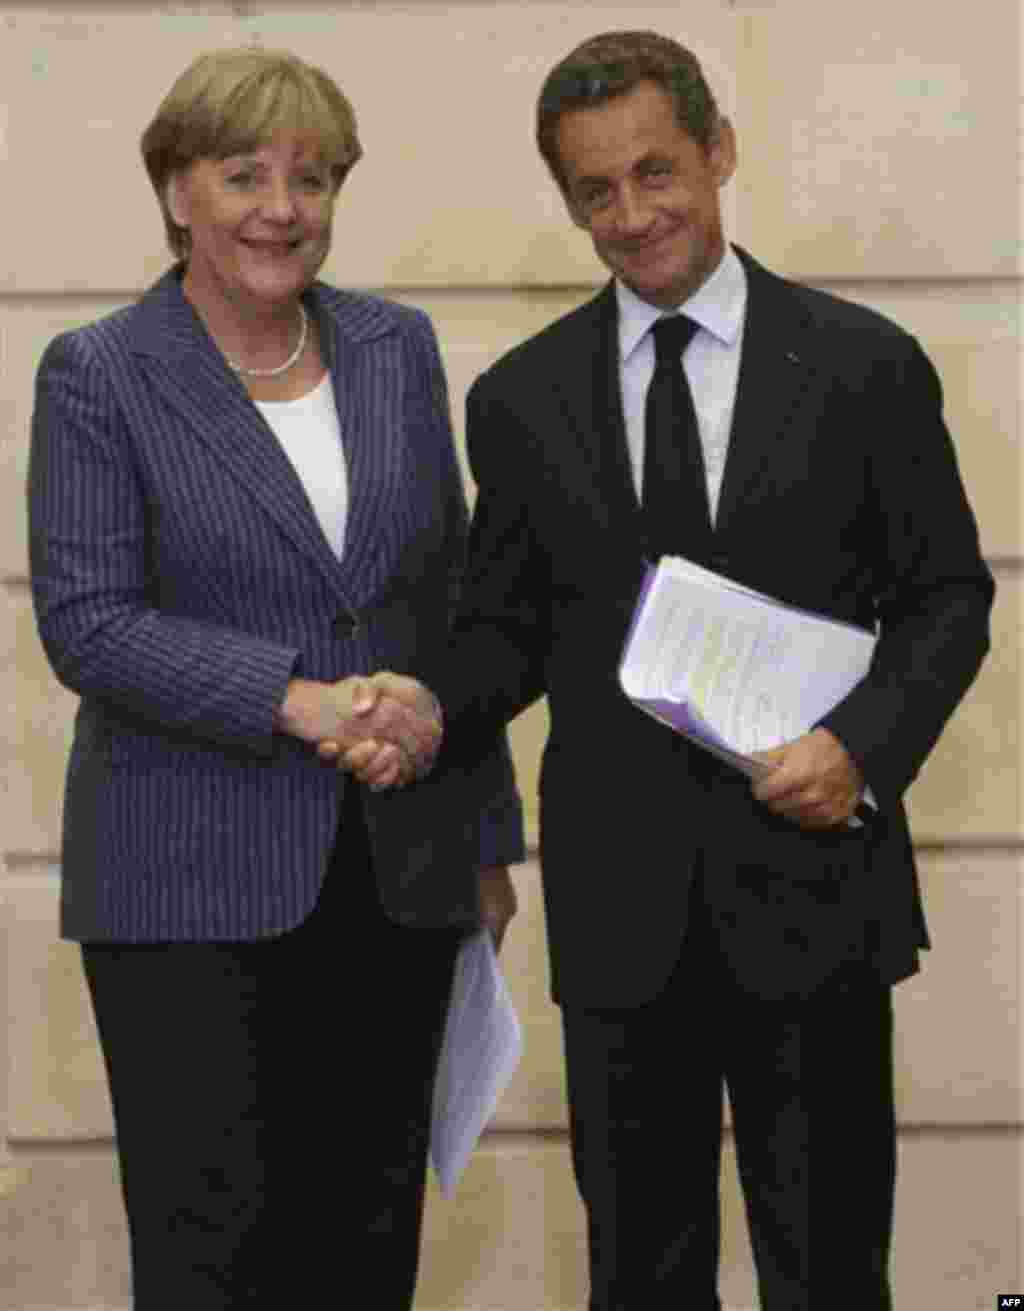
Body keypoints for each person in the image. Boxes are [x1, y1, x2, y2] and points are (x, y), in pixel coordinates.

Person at [337, 28, 995, 1311]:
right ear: (568, 201)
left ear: (719, 154)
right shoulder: (522, 401)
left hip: (817, 895)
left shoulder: (863, 366)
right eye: (596, 191)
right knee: (639, 1274)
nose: (632, 215)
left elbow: (947, 600)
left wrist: (861, 744)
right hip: (622, 915)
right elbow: (507, 633)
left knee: (829, 1268)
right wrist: (425, 706)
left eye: (656, 172)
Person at [27, 47, 523, 1310]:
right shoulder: (100, 372)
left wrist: (484, 836)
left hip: (397, 876)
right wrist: (298, 701)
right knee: (214, 1261)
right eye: (242, 173)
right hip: (188, 889)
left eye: (312, 179)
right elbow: (89, 622)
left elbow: (450, 603)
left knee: (365, 1252)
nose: (280, 208)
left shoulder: (395, 348)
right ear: (176, 192)